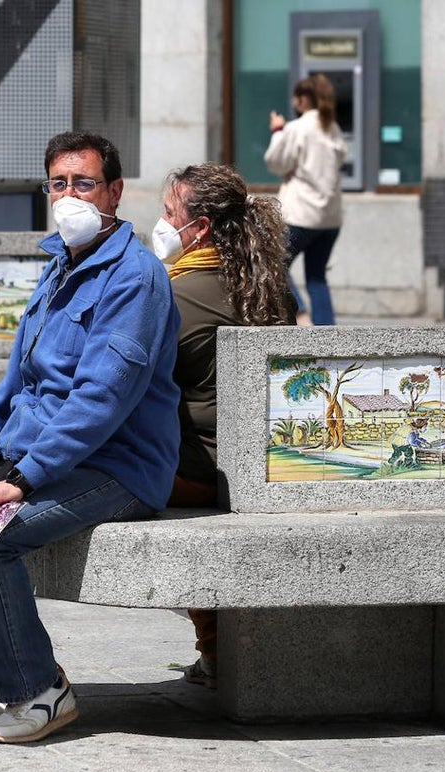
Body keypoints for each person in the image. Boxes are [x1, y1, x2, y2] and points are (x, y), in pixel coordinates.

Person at [0, 131, 181, 745]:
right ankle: (8, 681)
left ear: (115, 192)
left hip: (117, 469)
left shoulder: (135, 278)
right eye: (59, 183)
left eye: (84, 183)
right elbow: (14, 386)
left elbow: (100, 400)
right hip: (46, 463)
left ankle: (38, 694)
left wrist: (20, 481)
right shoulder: (59, 267)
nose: (70, 195)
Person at [151, 162, 294, 687]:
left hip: (200, 472)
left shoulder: (176, 296)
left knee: (112, 471)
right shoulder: (269, 284)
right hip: (262, 466)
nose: (161, 223)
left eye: (169, 213)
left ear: (201, 228)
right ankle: (215, 650)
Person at [264, 73, 347, 327]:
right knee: (317, 277)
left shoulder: (297, 128)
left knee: (271, 262)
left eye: (296, 97)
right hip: (329, 218)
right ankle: (327, 334)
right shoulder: (332, 128)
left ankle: (298, 313)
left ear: (303, 99)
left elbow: (275, 161)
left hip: (300, 215)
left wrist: (278, 130)